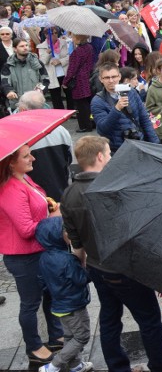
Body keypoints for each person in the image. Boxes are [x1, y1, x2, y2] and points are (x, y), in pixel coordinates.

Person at [0, 144, 64, 367]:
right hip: (23, 256)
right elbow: (26, 229)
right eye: (26, 156)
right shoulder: (9, 188)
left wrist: (49, 206)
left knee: (49, 294)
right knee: (30, 303)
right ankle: (34, 347)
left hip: (38, 251)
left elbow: (36, 204)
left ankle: (55, 336)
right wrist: (55, 217)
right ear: (10, 162)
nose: (33, 159)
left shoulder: (24, 179)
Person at [35, 216, 93, 372]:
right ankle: (54, 365)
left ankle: (76, 365)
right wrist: (87, 266)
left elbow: (42, 282)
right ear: (55, 237)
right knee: (81, 337)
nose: (68, 233)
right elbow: (82, 279)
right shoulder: (68, 260)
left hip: (58, 306)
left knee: (69, 337)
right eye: (65, 231)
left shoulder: (43, 258)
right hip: (74, 307)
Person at [18, 90, 72, 201]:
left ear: (23, 110)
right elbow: (69, 159)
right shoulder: (61, 130)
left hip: (33, 196)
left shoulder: (19, 135)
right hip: (61, 191)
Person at [92, 63, 159, 151]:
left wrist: (155, 144)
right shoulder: (98, 101)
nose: (111, 80)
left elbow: (144, 119)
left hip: (139, 143)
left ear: (119, 76)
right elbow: (103, 129)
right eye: (107, 78)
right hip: (117, 149)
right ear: (101, 79)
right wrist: (116, 109)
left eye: (114, 76)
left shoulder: (131, 92)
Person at [1, 38, 49, 111]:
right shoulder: (8, 65)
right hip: (17, 104)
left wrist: (40, 89)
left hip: (35, 103)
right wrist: (9, 91)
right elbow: (4, 82)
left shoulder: (37, 62)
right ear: (15, 49)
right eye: (22, 46)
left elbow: (45, 79)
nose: (25, 48)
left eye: (26, 45)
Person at [63, 35, 95, 132]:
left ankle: (85, 125)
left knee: (81, 105)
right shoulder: (89, 47)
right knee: (88, 103)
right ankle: (91, 122)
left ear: (78, 38)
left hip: (79, 80)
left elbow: (72, 69)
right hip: (88, 77)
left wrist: (65, 81)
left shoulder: (77, 52)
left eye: (73, 37)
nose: (72, 39)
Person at [37, 29, 70, 110]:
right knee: (55, 95)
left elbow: (69, 57)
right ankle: (59, 112)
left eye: (56, 33)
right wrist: (48, 53)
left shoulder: (63, 42)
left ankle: (71, 110)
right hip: (52, 74)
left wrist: (60, 61)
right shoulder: (41, 46)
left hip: (64, 71)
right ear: (46, 35)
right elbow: (42, 61)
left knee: (69, 93)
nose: (54, 35)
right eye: (51, 33)